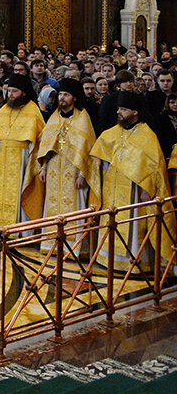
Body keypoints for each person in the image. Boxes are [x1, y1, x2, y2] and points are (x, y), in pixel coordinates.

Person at [89, 91, 174, 271]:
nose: (119, 112)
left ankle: (133, 262)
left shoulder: (147, 135)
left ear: (135, 112)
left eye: (123, 109)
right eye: (119, 108)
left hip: (134, 191)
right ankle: (107, 258)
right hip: (111, 188)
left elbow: (154, 168)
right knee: (111, 221)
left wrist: (146, 189)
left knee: (133, 225)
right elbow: (99, 158)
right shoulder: (111, 133)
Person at [0, 73, 46, 228]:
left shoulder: (33, 111)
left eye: (15, 91)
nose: (11, 94)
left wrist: (30, 165)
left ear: (23, 92)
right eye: (9, 91)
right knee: (1, 194)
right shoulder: (5, 109)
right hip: (3, 157)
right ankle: (0, 228)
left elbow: (38, 140)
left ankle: (18, 232)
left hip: (22, 159)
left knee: (20, 195)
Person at [37, 77, 99, 220]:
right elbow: (46, 146)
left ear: (75, 98)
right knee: (52, 203)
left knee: (74, 206)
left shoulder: (83, 119)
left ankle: (73, 242)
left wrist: (82, 175)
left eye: (66, 95)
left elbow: (88, 150)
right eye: (60, 95)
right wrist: (44, 168)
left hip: (74, 170)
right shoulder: (54, 118)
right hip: (53, 169)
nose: (62, 98)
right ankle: (50, 240)